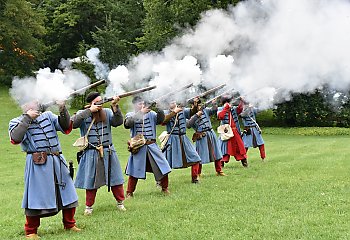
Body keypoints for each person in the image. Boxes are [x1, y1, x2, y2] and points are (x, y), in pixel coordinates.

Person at [9, 100, 80, 239]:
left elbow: (66, 127)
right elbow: (15, 138)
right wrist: (28, 118)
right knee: (35, 197)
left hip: (57, 160)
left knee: (68, 194)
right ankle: (31, 231)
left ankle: (70, 224)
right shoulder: (17, 121)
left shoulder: (48, 115)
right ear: (23, 106)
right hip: (37, 164)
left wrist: (62, 108)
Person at [72, 92, 126, 215]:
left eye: (101, 101)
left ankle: (120, 203)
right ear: (91, 103)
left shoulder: (107, 112)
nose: (100, 104)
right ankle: (89, 207)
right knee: (91, 182)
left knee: (115, 178)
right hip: (91, 153)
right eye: (97, 102)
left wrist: (115, 106)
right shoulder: (83, 114)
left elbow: (118, 122)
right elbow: (73, 124)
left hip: (108, 151)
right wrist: (89, 111)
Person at [124, 96, 171, 197]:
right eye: (139, 104)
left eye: (143, 103)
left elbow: (160, 120)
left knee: (163, 167)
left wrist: (159, 108)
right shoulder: (131, 114)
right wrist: (141, 113)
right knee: (134, 171)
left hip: (152, 145)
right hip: (138, 147)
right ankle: (129, 192)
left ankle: (165, 188)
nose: (142, 105)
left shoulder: (151, 114)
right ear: (135, 105)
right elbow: (128, 124)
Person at [162, 101, 201, 183]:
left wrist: (195, 104)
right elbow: (163, 121)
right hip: (172, 139)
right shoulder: (165, 112)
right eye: (170, 101)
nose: (172, 102)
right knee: (164, 162)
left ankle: (195, 178)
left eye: (173, 101)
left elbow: (193, 112)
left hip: (183, 138)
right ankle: (160, 182)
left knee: (195, 158)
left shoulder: (183, 110)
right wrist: (174, 112)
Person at [186, 97, 225, 176]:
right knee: (199, 155)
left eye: (200, 104)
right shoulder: (190, 114)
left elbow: (214, 110)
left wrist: (214, 103)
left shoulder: (205, 110)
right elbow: (188, 125)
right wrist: (196, 115)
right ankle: (198, 173)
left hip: (210, 133)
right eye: (198, 104)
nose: (200, 106)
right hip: (201, 135)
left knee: (217, 152)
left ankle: (219, 170)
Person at [217, 96, 248, 167]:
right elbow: (220, 117)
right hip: (226, 132)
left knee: (240, 147)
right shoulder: (220, 109)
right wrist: (226, 108)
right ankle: (221, 163)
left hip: (235, 131)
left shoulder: (233, 109)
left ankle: (244, 161)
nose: (228, 104)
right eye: (226, 102)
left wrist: (241, 101)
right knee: (224, 147)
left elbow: (240, 109)